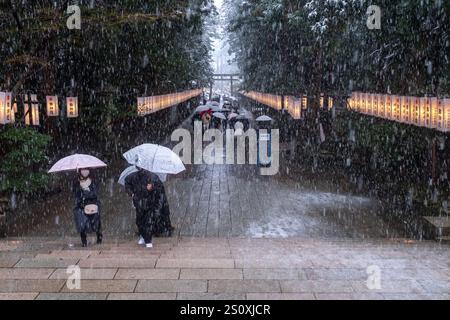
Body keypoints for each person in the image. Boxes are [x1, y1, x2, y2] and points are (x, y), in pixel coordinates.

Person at [125, 168, 174, 248]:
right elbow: (127, 184)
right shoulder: (133, 176)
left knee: (148, 221)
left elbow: (159, 189)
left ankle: (148, 240)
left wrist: (152, 187)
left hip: (149, 203)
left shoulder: (153, 177)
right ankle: (143, 236)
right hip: (139, 203)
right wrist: (132, 194)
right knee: (139, 221)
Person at [72, 169, 102, 247]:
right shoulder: (76, 182)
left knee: (95, 223)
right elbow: (75, 194)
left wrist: (86, 192)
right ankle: (84, 241)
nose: (85, 172)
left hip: (93, 204)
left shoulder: (93, 181)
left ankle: (99, 236)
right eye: (83, 170)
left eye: (87, 170)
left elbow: (95, 193)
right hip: (81, 206)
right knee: (81, 223)